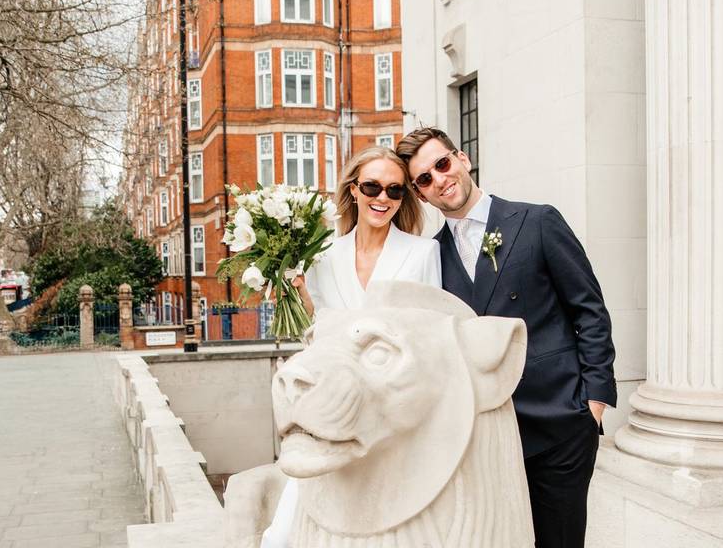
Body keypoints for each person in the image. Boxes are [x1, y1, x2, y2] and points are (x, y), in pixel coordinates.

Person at [397, 128, 616, 548]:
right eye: (424, 179)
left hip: (561, 423)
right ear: (420, 195)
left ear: (462, 158)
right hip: (487, 436)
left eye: (442, 164)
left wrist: (594, 403)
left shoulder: (537, 221)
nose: (439, 179)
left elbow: (589, 310)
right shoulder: (430, 256)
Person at [261, 145, 442, 548]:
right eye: (373, 187)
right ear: (354, 190)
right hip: (333, 408)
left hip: (384, 415)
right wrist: (306, 309)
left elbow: (428, 339)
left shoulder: (423, 253)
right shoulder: (323, 256)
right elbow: (320, 338)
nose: (383, 198)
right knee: (287, 532)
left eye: (395, 191)